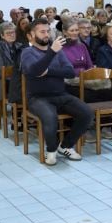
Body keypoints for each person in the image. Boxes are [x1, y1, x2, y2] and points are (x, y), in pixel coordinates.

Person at [21, 20, 92, 165]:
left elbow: (70, 72)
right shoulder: (28, 52)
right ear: (31, 35)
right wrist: (51, 53)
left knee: (87, 113)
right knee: (50, 117)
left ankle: (65, 146)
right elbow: (35, 70)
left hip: (60, 94)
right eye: (42, 32)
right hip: (37, 98)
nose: (46, 34)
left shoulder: (57, 51)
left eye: (48, 31)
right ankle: (51, 150)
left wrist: (48, 71)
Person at [0, 22, 23, 105]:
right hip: (1, 80)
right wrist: (16, 72)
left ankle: (23, 109)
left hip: (17, 79)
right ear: (2, 36)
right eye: (8, 33)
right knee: (20, 84)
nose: (12, 35)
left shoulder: (20, 46)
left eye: (13, 32)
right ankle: (18, 108)